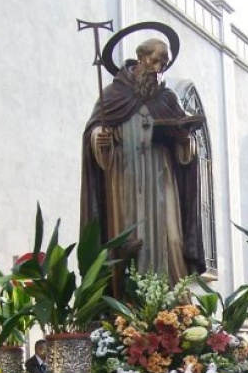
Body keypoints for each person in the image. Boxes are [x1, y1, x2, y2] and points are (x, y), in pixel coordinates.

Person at [81, 36, 206, 293]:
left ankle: (175, 301)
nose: (158, 67)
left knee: (172, 237)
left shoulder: (168, 99)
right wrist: (99, 137)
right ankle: (128, 302)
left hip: (161, 176)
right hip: (124, 176)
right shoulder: (112, 95)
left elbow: (187, 144)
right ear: (141, 57)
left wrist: (184, 140)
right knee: (128, 240)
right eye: (155, 60)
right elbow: (93, 131)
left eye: (164, 63)